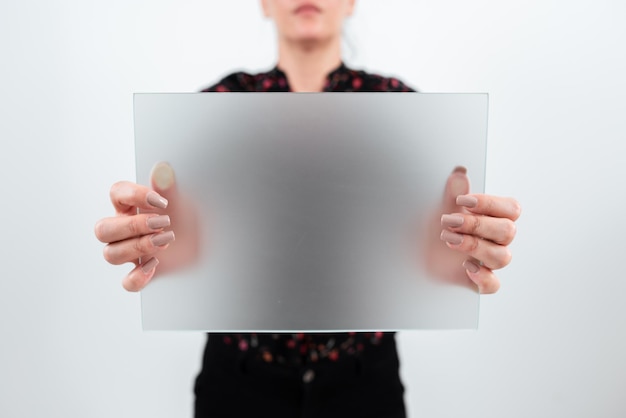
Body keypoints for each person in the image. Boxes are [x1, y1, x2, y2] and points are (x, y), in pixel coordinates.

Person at [94, 1, 521, 417]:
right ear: (263, 4)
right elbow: (187, 246)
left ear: (352, 3)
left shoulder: (398, 109)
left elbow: (426, 250)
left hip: (365, 383)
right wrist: (145, 241)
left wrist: (470, 249)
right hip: (237, 384)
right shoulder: (218, 107)